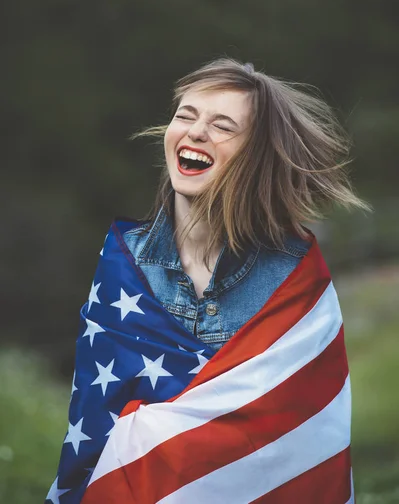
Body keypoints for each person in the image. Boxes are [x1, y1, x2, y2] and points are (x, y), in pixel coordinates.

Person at [47, 58, 369, 504]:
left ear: (256, 155)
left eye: (222, 126)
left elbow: (304, 441)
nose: (196, 132)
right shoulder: (126, 259)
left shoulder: (294, 276)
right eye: (185, 115)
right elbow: (93, 421)